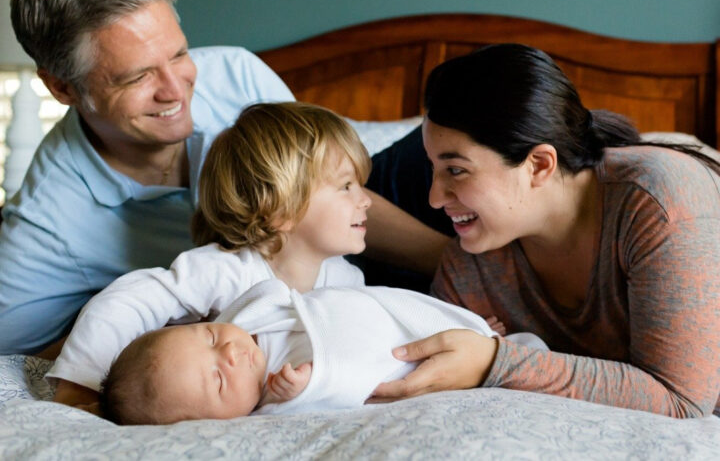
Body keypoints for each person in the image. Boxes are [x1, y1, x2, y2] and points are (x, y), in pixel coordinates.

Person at [0, 0, 448, 359]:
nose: (176, 91)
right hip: (284, 299)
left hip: (357, 230)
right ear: (62, 87)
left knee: (456, 139)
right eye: (137, 78)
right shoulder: (47, 224)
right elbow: (21, 358)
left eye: (178, 55)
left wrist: (461, 265)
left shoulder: (235, 74)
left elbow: (331, 190)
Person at [49, 101, 542, 423]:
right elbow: (131, 300)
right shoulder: (227, 268)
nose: (366, 201)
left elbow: (378, 329)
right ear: (280, 208)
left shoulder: (342, 276)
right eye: (347, 186)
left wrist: (461, 330)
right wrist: (78, 387)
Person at [371, 44, 720, 419]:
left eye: (456, 170)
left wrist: (495, 362)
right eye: (432, 169)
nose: (435, 198)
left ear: (538, 165)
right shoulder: (468, 270)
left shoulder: (658, 200)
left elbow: (683, 400)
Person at [100, 279, 545, 424]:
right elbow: (343, 396)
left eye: (212, 338)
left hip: (395, 321)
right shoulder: (275, 402)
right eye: (218, 381)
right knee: (522, 371)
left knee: (519, 351)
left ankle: (485, 342)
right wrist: (299, 389)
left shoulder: (254, 315)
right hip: (405, 362)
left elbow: (300, 298)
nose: (232, 354)